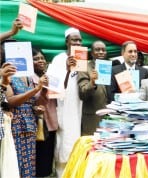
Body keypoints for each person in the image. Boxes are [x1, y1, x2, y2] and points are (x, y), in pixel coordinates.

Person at [5, 54, 48, 177]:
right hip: (15, 124)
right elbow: (10, 101)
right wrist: (35, 90)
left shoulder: (29, 77)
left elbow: (31, 101)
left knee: (29, 162)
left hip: (30, 124)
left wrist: (36, 109)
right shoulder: (7, 76)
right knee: (16, 162)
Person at [50, 27, 83, 177]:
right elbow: (53, 89)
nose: (77, 42)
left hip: (79, 108)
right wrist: (67, 69)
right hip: (63, 108)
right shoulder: (59, 59)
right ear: (67, 42)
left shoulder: (83, 58)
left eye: (79, 40)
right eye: (74, 39)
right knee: (65, 144)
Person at [31, 47, 58, 177]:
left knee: (47, 159)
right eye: (36, 59)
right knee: (38, 159)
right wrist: (42, 88)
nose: (40, 61)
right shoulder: (30, 79)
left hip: (51, 123)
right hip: (37, 124)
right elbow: (35, 100)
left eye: (42, 58)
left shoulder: (50, 77)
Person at [78, 40, 108, 135]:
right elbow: (82, 94)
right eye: (97, 50)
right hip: (92, 119)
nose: (101, 52)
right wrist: (92, 82)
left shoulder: (109, 67)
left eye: (103, 50)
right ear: (92, 53)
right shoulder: (84, 68)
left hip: (109, 119)